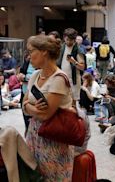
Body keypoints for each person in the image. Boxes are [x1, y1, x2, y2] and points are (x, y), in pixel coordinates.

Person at [22, 35, 75, 181]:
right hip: (34, 136)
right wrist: (30, 107)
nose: (28, 56)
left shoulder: (59, 78)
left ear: (44, 51)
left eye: (31, 51)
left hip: (53, 139)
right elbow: (23, 104)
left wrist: (28, 107)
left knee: (51, 178)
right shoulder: (35, 75)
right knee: (35, 176)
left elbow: (46, 115)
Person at [57, 28, 86, 105]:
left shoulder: (78, 50)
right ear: (64, 38)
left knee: (73, 103)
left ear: (74, 39)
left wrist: (74, 62)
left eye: (71, 40)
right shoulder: (60, 48)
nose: (69, 42)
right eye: (67, 39)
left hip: (74, 80)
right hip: (62, 79)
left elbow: (82, 67)